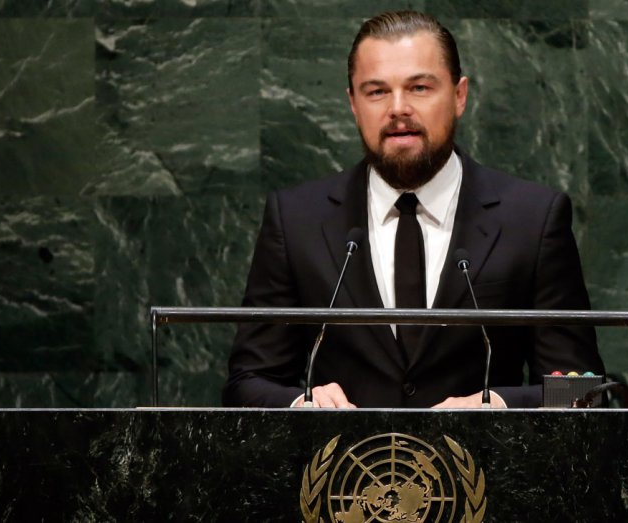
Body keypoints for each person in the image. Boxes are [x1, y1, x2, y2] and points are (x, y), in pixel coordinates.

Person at [222, 10, 603, 409]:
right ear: (352, 103)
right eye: (376, 91)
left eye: (419, 88)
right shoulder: (297, 219)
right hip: (343, 468)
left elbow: (585, 389)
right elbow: (248, 381)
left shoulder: (533, 219)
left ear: (459, 96)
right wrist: (301, 404)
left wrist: (499, 407)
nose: (398, 108)